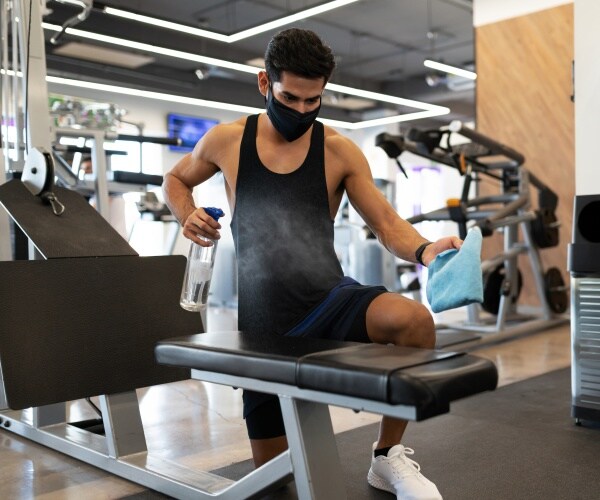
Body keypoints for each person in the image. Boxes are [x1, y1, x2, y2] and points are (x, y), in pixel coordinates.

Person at [163, 27, 461, 500]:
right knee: (279, 483)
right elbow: (175, 179)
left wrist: (425, 250)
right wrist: (187, 214)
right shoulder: (225, 140)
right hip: (263, 326)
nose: (301, 110)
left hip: (328, 299)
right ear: (265, 84)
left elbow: (384, 221)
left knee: (413, 321)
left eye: (312, 100)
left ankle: (386, 457)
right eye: (290, 97)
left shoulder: (339, 150)